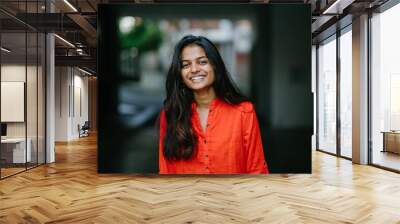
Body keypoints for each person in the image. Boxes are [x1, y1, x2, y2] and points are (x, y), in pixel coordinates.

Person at [159, 35, 268, 174]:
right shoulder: (171, 114)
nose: (194, 70)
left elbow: (257, 169)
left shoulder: (244, 112)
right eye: (186, 65)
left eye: (202, 62)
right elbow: (165, 171)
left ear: (215, 65)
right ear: (180, 74)